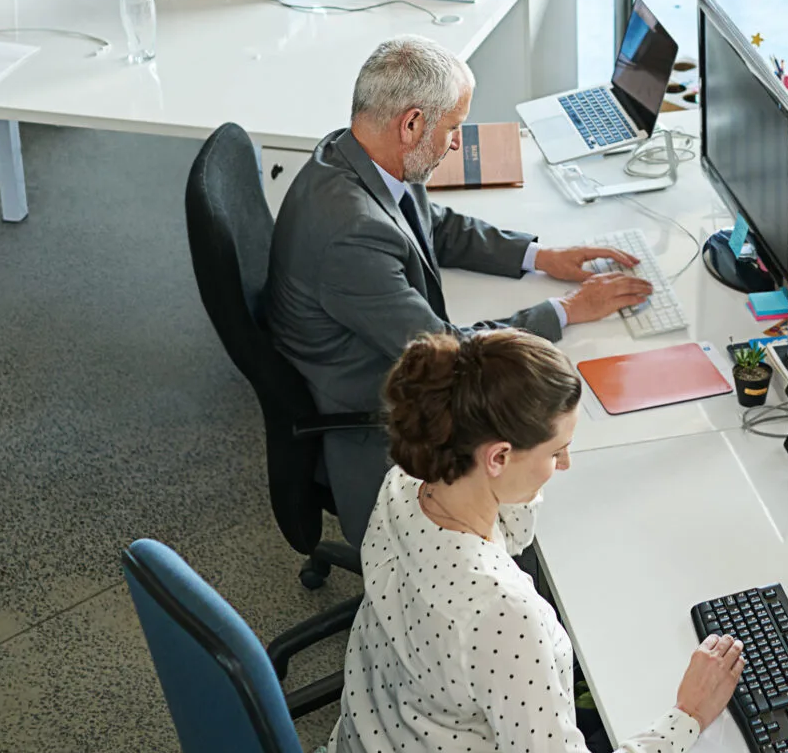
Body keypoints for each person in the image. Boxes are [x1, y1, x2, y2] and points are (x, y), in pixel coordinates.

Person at [325, 327, 744, 753]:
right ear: (496, 456)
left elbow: (508, 529)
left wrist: (523, 462)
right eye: (556, 452)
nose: (566, 464)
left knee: (612, 709)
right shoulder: (502, 615)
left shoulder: (407, 489)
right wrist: (686, 719)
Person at [269, 38, 652, 544]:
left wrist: (539, 256)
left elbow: (435, 226)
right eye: (453, 127)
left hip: (374, 349)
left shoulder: (363, 151)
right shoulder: (349, 235)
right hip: (371, 405)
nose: (457, 142)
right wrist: (566, 312)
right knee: (555, 432)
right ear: (411, 125)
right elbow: (451, 351)